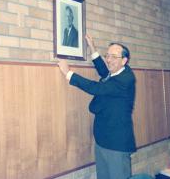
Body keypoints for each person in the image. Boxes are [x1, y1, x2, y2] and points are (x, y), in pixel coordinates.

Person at [58, 34, 136, 179]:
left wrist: (68, 73)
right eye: (107, 55)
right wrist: (92, 47)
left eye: (113, 57)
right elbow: (104, 72)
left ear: (124, 60)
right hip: (102, 140)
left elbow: (97, 88)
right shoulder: (116, 73)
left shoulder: (125, 79)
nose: (108, 60)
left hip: (116, 144)